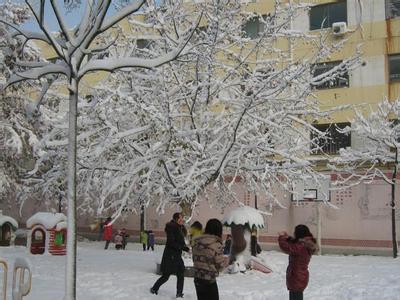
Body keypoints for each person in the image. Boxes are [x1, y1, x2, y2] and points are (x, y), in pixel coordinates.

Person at [150, 212, 189, 298]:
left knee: (180, 273)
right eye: (180, 218)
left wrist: (185, 247)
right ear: (176, 219)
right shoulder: (171, 227)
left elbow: (180, 241)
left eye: (183, 218)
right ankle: (154, 288)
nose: (182, 219)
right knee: (166, 276)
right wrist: (183, 248)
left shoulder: (180, 228)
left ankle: (179, 293)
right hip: (170, 255)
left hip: (177, 255)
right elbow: (171, 242)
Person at [278, 225, 318, 300]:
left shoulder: (301, 246)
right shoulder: (304, 244)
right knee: (294, 296)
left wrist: (281, 237)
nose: (294, 233)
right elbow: (294, 243)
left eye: (295, 232)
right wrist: (287, 237)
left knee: (296, 297)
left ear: (299, 234)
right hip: (298, 276)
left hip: (297, 276)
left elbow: (287, 247)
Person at [192, 219, 229, 300]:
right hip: (209, 281)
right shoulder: (216, 245)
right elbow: (220, 266)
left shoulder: (197, 242)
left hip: (197, 279)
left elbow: (195, 259)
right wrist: (227, 260)